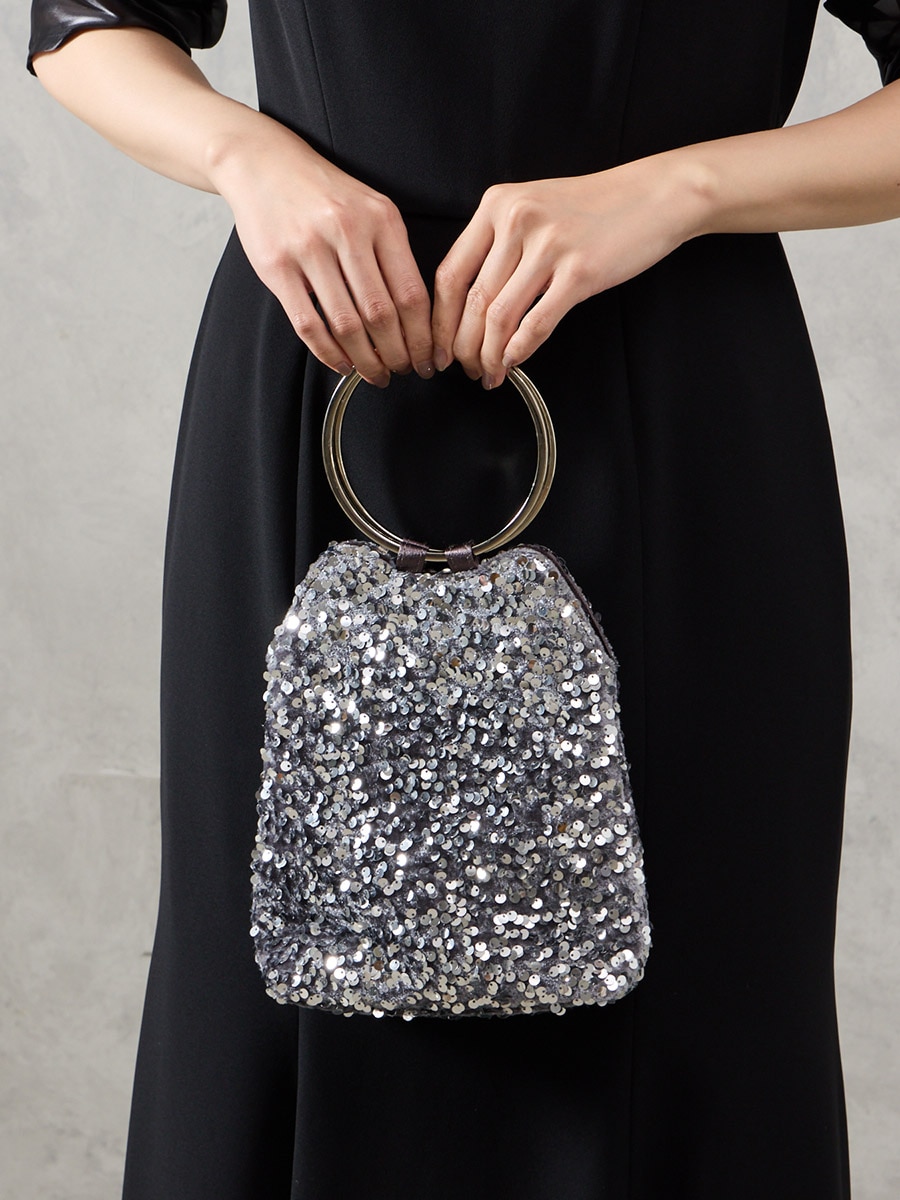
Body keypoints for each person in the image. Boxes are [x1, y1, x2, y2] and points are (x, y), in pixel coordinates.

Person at [25, 2, 900, 1197]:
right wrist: (248, 158)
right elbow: (83, 22)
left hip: (682, 414)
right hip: (326, 383)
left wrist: (678, 189)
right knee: (275, 1000)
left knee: (699, 1003)